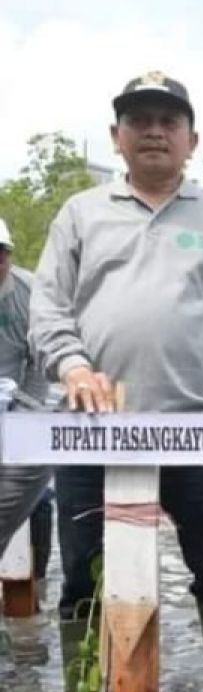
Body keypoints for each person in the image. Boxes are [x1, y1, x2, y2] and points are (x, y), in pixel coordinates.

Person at [30, 71, 203, 692]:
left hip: (197, 430)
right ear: (115, 137)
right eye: (138, 119)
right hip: (92, 433)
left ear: (192, 139)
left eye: (167, 121)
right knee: (83, 581)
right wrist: (73, 366)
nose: (153, 131)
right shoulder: (80, 215)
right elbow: (49, 310)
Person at [0, 217, 51, 556]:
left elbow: (40, 361)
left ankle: (40, 581)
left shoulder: (29, 291)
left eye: (1, 254)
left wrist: (25, 414)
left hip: (16, 399)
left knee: (41, 492)